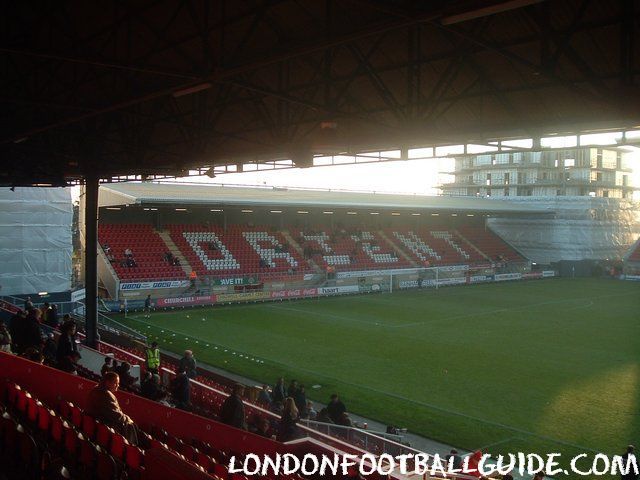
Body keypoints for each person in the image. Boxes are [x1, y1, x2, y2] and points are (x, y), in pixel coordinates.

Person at [86, 372, 139, 445]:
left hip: (96, 423)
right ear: (107, 383)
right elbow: (116, 416)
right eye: (116, 383)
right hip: (104, 427)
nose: (118, 385)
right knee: (131, 426)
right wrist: (128, 419)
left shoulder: (96, 389)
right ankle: (131, 449)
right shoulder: (106, 395)